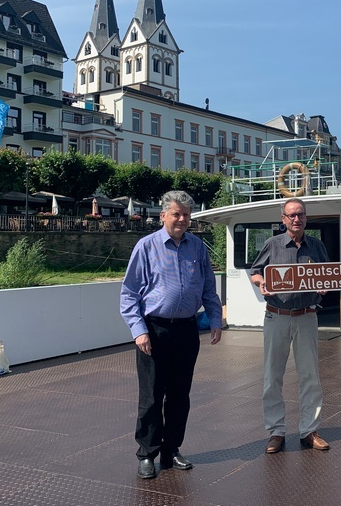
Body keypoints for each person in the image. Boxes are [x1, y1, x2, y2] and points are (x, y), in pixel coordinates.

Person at [120, 190, 223, 479]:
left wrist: (215, 319)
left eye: (186, 215)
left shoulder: (198, 247)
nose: (181, 219)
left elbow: (208, 289)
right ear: (163, 215)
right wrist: (139, 331)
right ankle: (147, 454)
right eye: (176, 214)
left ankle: (171, 450)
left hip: (187, 329)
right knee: (151, 396)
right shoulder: (146, 246)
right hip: (155, 330)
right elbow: (129, 294)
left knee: (180, 395)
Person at [250, 198, 331, 454]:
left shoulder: (317, 246)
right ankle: (276, 431)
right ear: (283, 219)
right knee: (272, 376)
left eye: (301, 215)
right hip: (277, 315)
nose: (297, 219)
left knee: (310, 376)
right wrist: (260, 283)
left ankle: (309, 430)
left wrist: (324, 287)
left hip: (307, 316)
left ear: (306, 218)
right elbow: (255, 271)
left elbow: (328, 274)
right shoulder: (272, 245)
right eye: (292, 215)